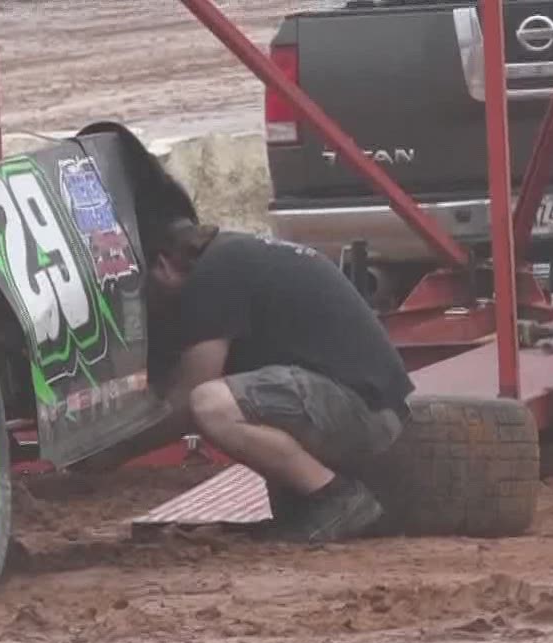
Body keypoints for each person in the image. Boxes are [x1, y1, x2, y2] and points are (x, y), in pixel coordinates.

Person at [123, 219, 414, 542]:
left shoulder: (213, 275)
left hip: (361, 411)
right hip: (360, 402)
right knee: (229, 401)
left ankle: (337, 497)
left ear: (162, 265)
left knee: (211, 405)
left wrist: (116, 448)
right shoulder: (232, 254)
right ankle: (314, 496)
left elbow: (188, 396)